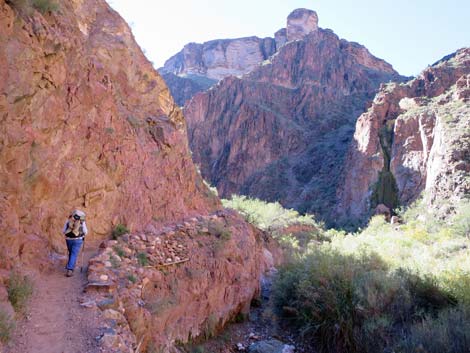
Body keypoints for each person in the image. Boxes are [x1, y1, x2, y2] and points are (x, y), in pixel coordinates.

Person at [62, 209, 87, 277]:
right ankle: (70, 269)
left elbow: (63, 231)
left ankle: (70, 265)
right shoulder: (82, 222)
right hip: (78, 239)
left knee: (71, 253)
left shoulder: (68, 220)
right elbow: (85, 231)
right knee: (74, 254)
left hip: (68, 239)